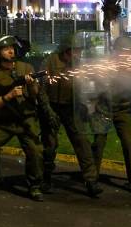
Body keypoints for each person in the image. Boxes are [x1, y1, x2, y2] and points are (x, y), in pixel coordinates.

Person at [0, 35, 45, 201]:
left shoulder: (26, 67)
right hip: (4, 120)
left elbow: (35, 95)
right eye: (5, 49)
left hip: (26, 118)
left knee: (36, 152)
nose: (11, 51)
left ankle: (35, 186)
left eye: (12, 48)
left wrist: (31, 85)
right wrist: (8, 96)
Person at [39, 34, 103, 197]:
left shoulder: (78, 64)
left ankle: (91, 181)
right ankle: (45, 178)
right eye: (76, 51)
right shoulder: (50, 62)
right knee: (50, 145)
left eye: (80, 51)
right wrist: (48, 111)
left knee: (82, 143)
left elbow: (81, 87)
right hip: (51, 107)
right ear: (67, 50)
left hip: (70, 108)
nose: (78, 54)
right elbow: (42, 90)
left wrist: (86, 106)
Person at [91, 36, 131, 194]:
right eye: (126, 52)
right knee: (98, 143)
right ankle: (92, 180)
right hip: (104, 109)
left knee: (129, 144)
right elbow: (97, 83)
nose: (129, 55)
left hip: (122, 110)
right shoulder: (107, 65)